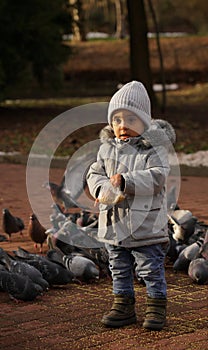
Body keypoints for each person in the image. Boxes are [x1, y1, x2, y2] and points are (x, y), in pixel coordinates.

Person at [87, 81, 176, 330]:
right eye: (116, 120)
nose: (122, 126)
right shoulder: (106, 150)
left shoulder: (153, 150)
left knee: (150, 269)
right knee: (118, 267)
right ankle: (123, 306)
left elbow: (158, 177)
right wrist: (100, 188)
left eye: (130, 120)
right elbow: (94, 173)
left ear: (145, 123)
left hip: (146, 228)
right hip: (114, 226)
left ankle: (156, 307)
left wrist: (126, 181)